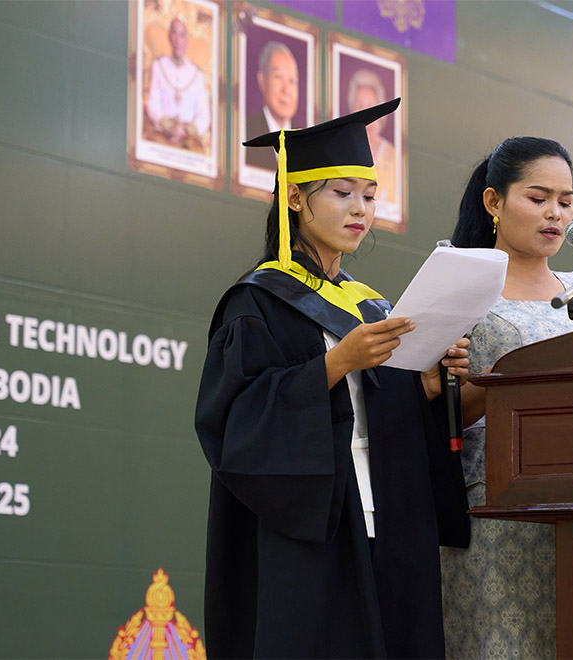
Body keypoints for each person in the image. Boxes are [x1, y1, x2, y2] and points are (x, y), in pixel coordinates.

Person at [194, 97, 471, 659]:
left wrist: (426, 386)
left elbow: (382, 414)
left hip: (389, 520)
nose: (359, 210)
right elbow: (235, 422)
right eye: (342, 193)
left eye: (369, 195)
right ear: (296, 197)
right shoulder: (257, 303)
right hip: (315, 525)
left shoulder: (370, 305)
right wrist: (335, 363)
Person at [440, 137, 573, 659]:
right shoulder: (457, 280)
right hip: (494, 502)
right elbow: (433, 408)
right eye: (538, 199)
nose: (555, 213)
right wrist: (503, 382)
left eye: (565, 201)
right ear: (494, 202)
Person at [145, 16, 211, 149]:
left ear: (187, 39)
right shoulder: (159, 65)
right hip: (162, 134)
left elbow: (204, 115)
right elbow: (152, 103)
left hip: (188, 140)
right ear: (169, 37)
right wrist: (169, 126)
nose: (178, 40)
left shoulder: (197, 74)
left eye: (182, 35)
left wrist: (186, 130)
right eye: (174, 33)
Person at [245, 41, 299, 171]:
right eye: (278, 77)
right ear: (262, 80)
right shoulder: (246, 130)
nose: (286, 90)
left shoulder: (305, 142)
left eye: (292, 81)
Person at [347, 69, 396, 207]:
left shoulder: (395, 158)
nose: (366, 114)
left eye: (371, 106)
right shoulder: (343, 153)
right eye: (360, 106)